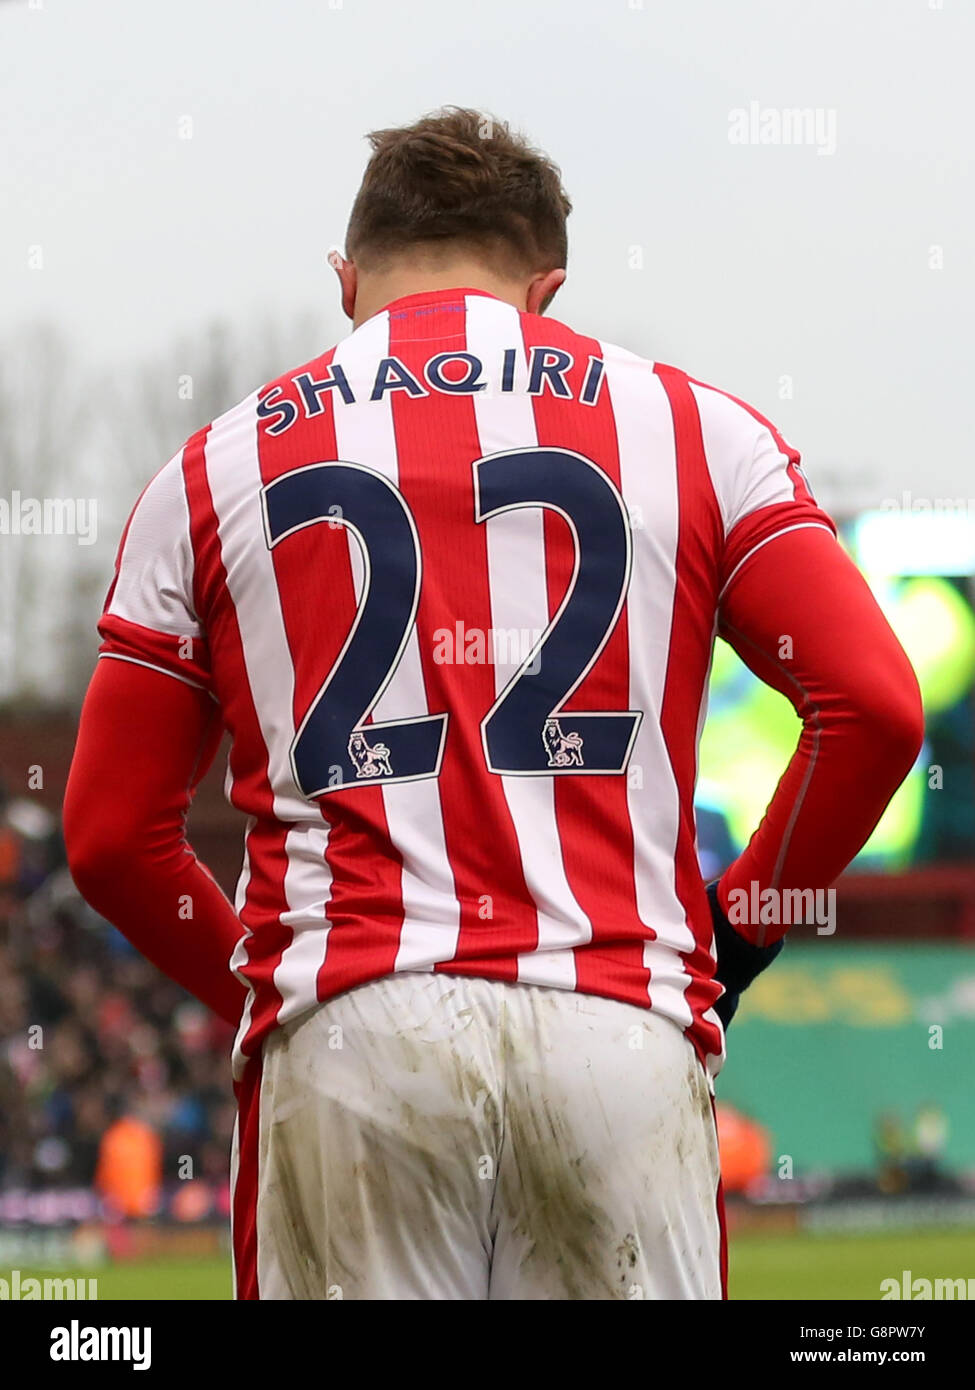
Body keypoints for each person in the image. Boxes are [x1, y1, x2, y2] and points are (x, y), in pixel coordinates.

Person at [64, 107, 924, 1300]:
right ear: (549, 287)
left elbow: (110, 836)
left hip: (356, 1037)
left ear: (345, 275)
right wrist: (742, 926)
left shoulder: (210, 470)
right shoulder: (698, 430)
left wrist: (276, 986)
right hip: (618, 1023)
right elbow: (875, 709)